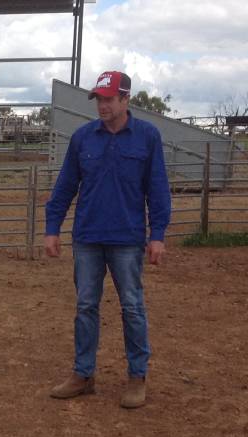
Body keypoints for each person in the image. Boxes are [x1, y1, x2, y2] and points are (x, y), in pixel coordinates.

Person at [44, 70, 171, 408]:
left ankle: (137, 376)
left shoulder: (147, 137)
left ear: (126, 99)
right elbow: (66, 186)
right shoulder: (83, 138)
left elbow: (157, 189)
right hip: (88, 237)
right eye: (99, 99)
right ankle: (83, 373)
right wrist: (52, 227)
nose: (102, 105)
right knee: (86, 305)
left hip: (127, 239)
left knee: (132, 306)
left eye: (109, 99)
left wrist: (157, 234)